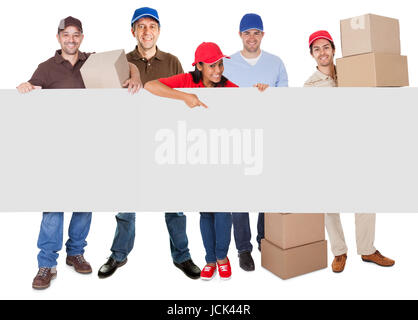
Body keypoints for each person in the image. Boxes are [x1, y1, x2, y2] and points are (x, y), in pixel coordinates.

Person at [16, 16, 142, 290]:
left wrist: (134, 77)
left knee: (84, 204)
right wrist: (25, 87)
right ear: (59, 37)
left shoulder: (92, 61)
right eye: (66, 34)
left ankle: (75, 253)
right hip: (57, 151)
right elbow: (29, 96)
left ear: (81, 37)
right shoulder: (46, 69)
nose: (71, 39)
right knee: (53, 208)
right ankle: (46, 264)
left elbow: (128, 62)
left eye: (76, 35)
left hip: (90, 147)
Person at [145, 42, 268, 280]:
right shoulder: (187, 80)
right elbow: (151, 85)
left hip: (222, 155)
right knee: (205, 212)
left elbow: (247, 103)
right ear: (199, 66)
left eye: (220, 64)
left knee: (222, 210)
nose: (217, 70)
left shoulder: (226, 86)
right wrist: (184, 96)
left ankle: (222, 257)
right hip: (195, 156)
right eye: (211, 66)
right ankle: (209, 259)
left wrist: (259, 91)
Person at [97, 7, 201, 280]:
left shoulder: (173, 61)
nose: (146, 31)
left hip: (167, 143)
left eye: (151, 26)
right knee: (126, 205)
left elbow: (184, 98)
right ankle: (118, 255)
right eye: (140, 26)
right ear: (133, 31)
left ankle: (183, 256)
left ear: (159, 30)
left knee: (175, 206)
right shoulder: (120, 61)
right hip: (130, 143)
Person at [304, 30, 395, 273]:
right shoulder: (310, 85)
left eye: (326, 47)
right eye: (317, 49)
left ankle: (367, 250)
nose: (322, 52)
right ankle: (339, 252)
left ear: (334, 50)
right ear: (312, 55)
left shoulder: (353, 74)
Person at [223, 13, 288, 272]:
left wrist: (269, 95)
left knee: (266, 193)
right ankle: (243, 249)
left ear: (263, 35)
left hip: (267, 136)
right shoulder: (227, 63)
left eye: (256, 32)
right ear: (240, 35)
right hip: (236, 138)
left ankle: (265, 239)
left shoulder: (276, 63)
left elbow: (285, 103)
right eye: (247, 32)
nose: (252, 37)